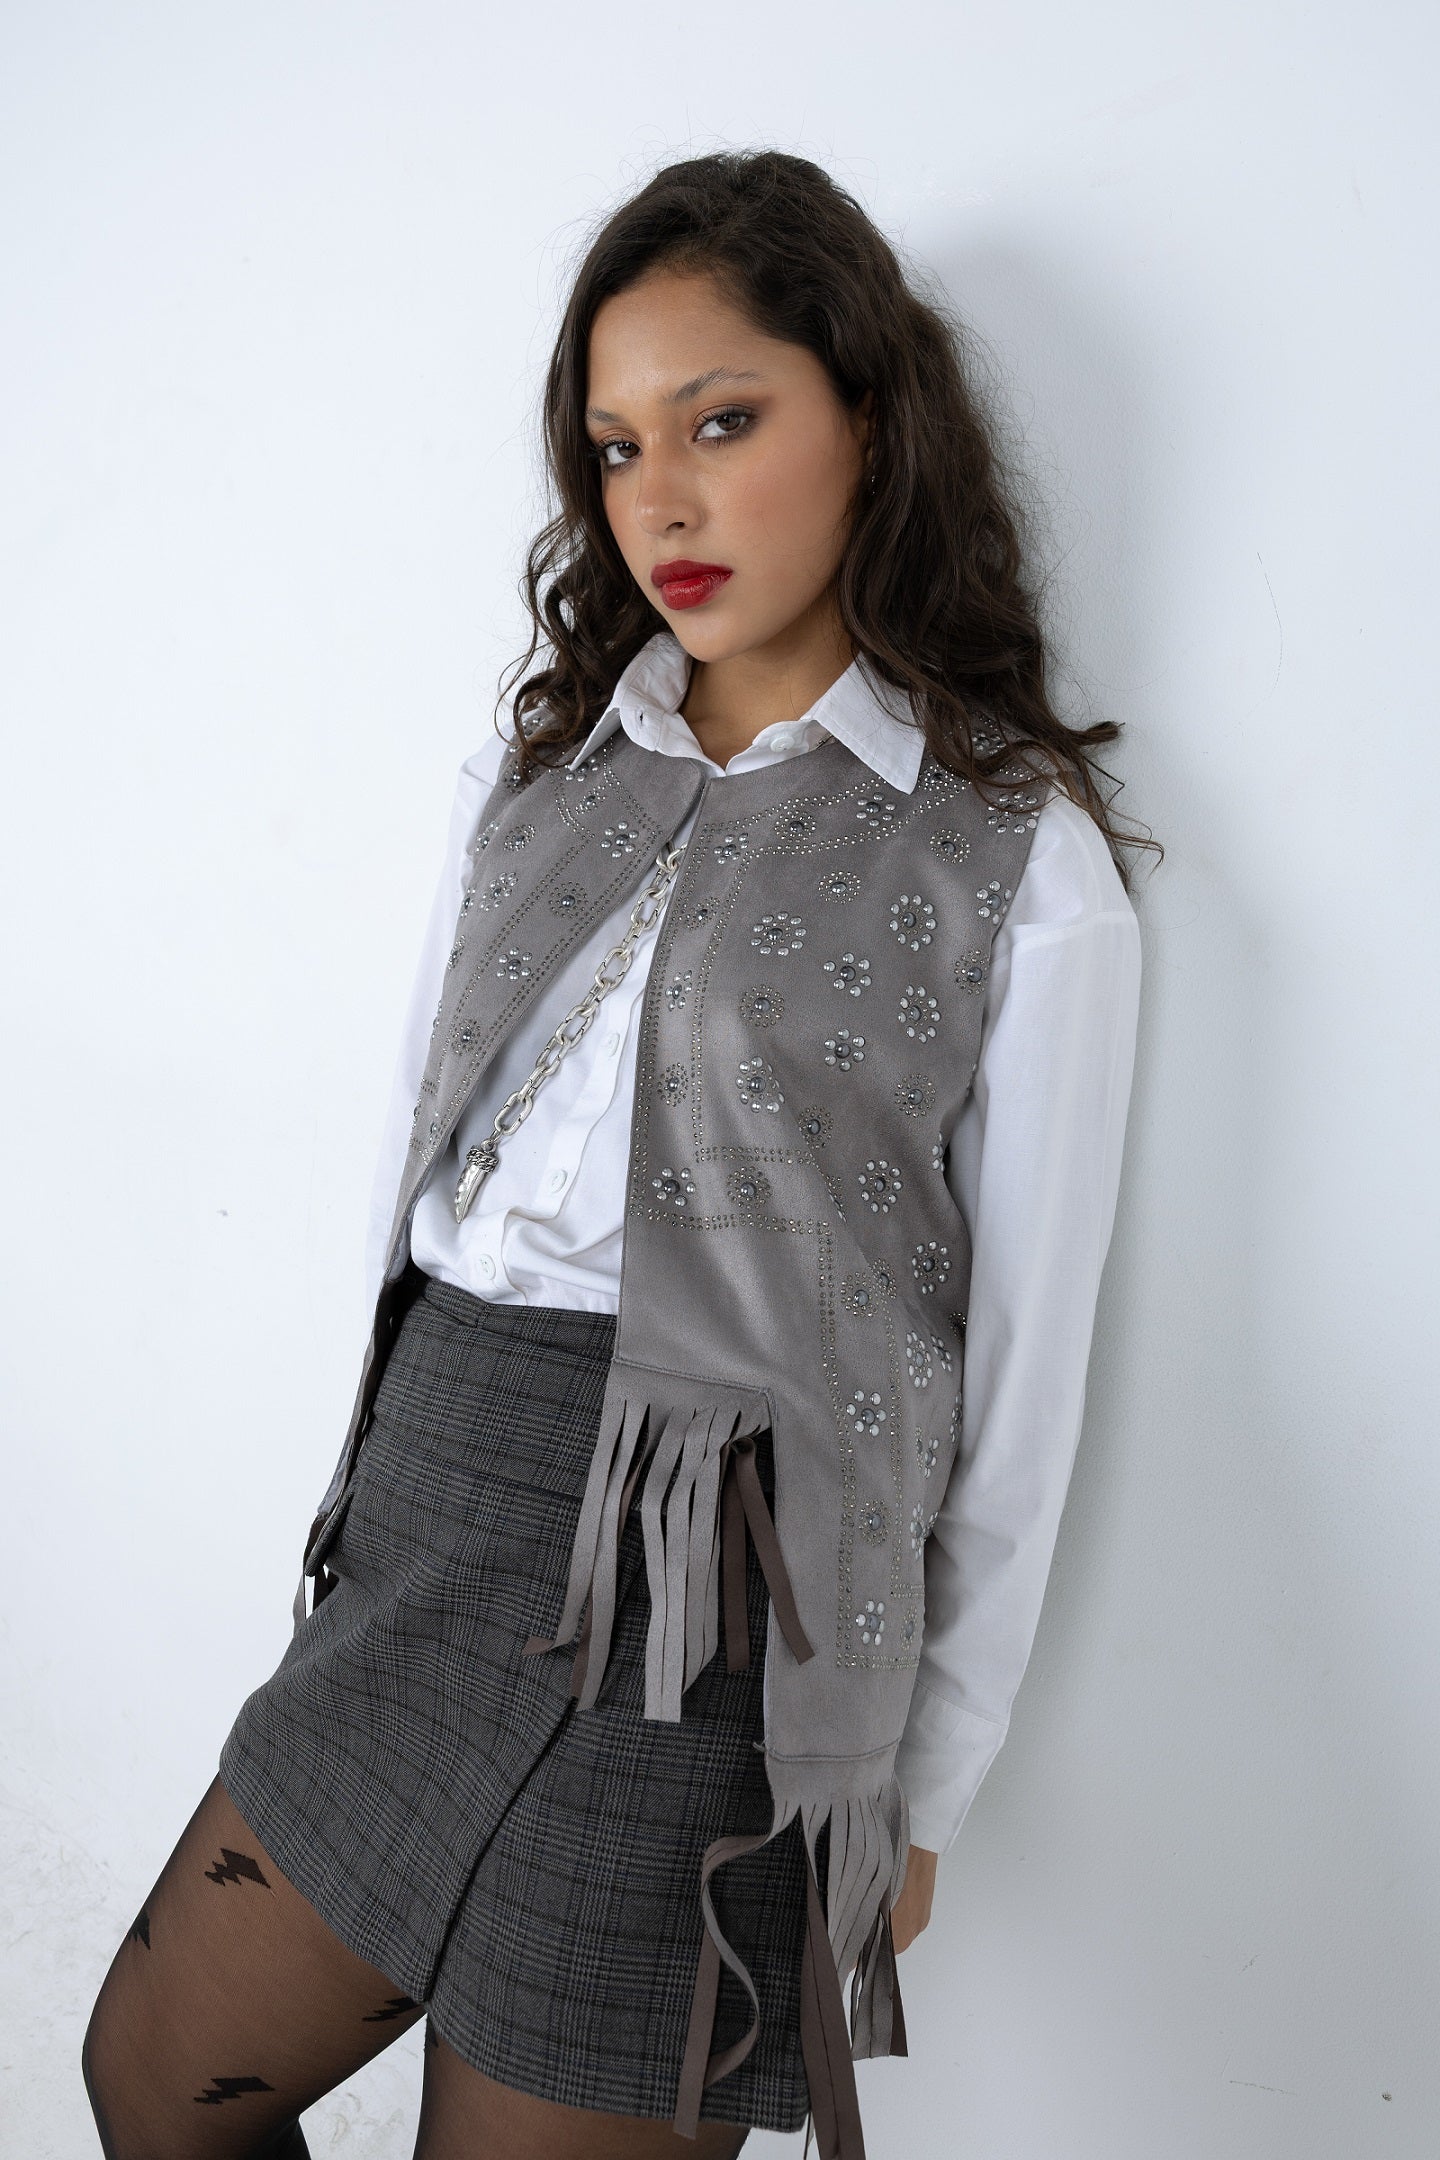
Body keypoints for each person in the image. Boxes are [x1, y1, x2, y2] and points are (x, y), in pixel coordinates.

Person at [81, 148, 1147, 2160]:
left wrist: (919, 1794)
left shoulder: (1020, 866)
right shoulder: (541, 766)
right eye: (615, 443)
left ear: (870, 418)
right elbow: (419, 1177)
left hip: (722, 1610)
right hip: (439, 1507)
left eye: (724, 422)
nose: (659, 496)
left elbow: (1018, 1393)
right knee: (156, 2078)